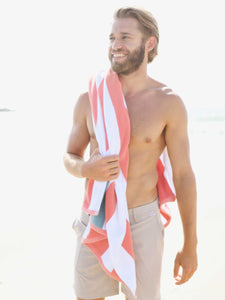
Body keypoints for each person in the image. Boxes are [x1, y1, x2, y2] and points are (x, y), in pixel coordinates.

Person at [63, 7, 198, 300]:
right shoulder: (90, 98)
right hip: (95, 217)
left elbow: (184, 175)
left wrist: (190, 246)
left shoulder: (168, 103)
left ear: (149, 43)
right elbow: (70, 157)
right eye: (112, 37)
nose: (115, 45)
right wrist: (87, 169)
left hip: (142, 222)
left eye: (125, 36)